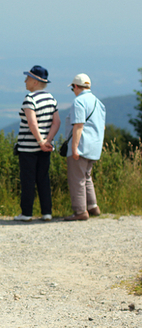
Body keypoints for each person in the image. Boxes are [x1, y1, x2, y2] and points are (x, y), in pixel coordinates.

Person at [13, 65, 60, 222]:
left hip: (28, 148)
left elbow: (32, 123)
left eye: (28, 78)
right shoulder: (51, 99)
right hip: (46, 148)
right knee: (43, 179)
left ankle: (26, 213)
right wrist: (47, 140)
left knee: (28, 180)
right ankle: (47, 212)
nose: (25, 81)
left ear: (35, 82)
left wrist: (39, 141)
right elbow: (56, 122)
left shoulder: (30, 99)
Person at [63, 73, 106, 221]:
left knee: (77, 179)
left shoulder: (79, 102)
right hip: (95, 147)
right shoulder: (98, 102)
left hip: (81, 146)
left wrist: (74, 148)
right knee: (87, 176)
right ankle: (93, 206)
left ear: (75, 86)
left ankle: (80, 211)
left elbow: (78, 126)